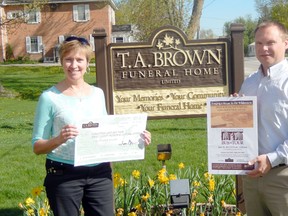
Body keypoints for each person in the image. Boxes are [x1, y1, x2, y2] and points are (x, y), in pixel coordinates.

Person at [31, 36, 151, 216]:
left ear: (87, 63)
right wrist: (59, 139)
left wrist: (136, 138)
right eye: (68, 59)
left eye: (79, 60)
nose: (74, 65)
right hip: (64, 174)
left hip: (99, 173)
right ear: (61, 62)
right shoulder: (49, 98)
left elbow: (106, 131)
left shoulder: (97, 94)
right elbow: (37, 146)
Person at [238, 21, 288, 215]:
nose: (263, 48)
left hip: (283, 177)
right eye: (258, 43)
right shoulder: (249, 83)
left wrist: (272, 159)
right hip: (252, 178)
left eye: (270, 42)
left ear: (285, 43)